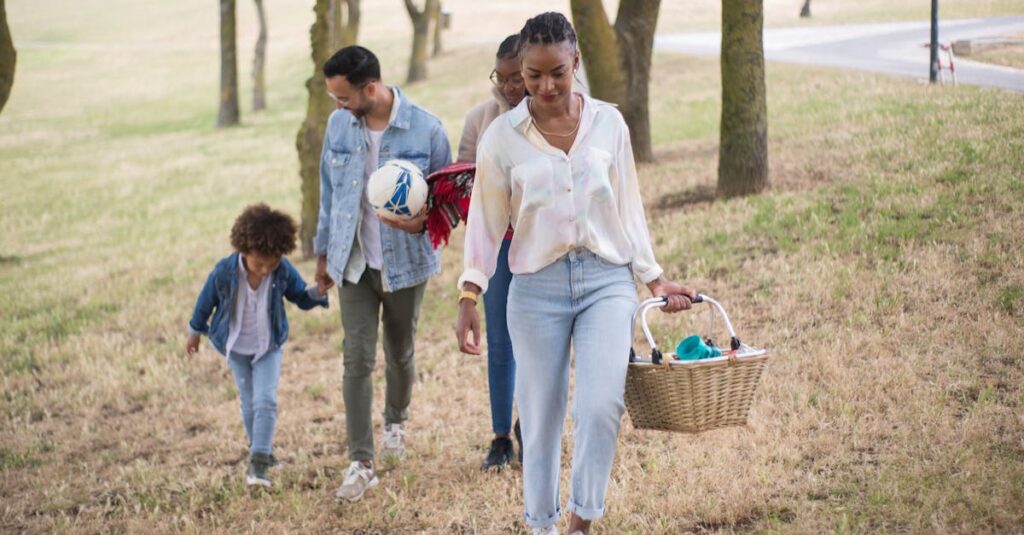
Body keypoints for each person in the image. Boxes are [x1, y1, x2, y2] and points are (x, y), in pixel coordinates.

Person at [454, 13, 697, 535]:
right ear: (519, 70)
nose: (545, 86)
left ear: (575, 63)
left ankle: (581, 522)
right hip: (535, 289)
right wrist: (470, 294)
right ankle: (541, 526)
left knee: (601, 405)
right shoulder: (502, 138)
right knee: (540, 423)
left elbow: (629, 210)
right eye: (533, 75)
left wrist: (654, 279)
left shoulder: (609, 124)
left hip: (605, 282)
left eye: (557, 73)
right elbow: (486, 221)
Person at [313, 45, 451, 502]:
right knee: (356, 358)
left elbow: (447, 207)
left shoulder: (427, 129)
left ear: (369, 89)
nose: (338, 106)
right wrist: (322, 254)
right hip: (353, 262)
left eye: (343, 97)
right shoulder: (339, 126)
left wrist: (420, 222)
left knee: (400, 352)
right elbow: (329, 193)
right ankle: (361, 460)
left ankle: (395, 422)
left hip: (406, 264)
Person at [186, 203, 329, 488]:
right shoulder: (224, 272)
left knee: (266, 400)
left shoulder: (282, 271)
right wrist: (194, 332)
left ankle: (259, 464)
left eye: (271, 264)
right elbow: (205, 303)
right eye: (258, 264)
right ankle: (260, 449)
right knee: (249, 401)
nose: (265, 271)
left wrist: (319, 292)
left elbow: (300, 296)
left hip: (268, 346)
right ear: (243, 250)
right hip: (236, 346)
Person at [457, 34, 528, 472]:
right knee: (500, 341)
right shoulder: (481, 119)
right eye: (500, 79)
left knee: (540, 343)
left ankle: (531, 424)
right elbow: (462, 180)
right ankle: (501, 436)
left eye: (516, 78)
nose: (508, 87)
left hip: (541, 247)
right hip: (499, 247)